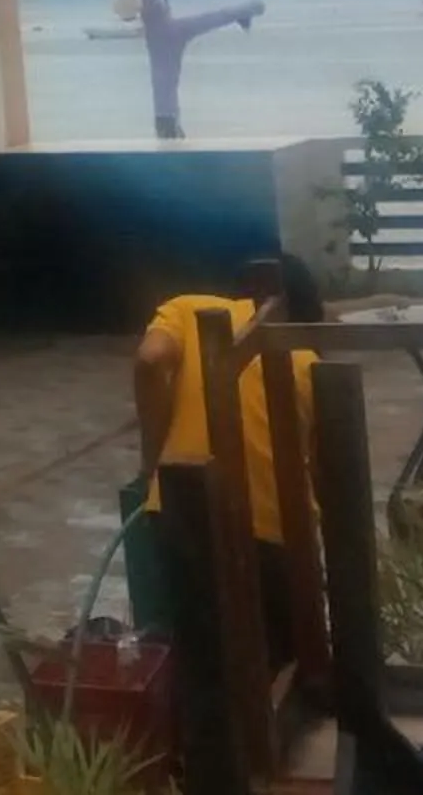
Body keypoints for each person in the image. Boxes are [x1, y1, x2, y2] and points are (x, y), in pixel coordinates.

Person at [133, 253, 325, 641]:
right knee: (280, 660)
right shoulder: (309, 363)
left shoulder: (186, 308)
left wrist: (154, 462)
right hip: (275, 539)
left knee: (201, 658)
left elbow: (150, 361)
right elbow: (319, 474)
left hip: (181, 512)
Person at [111, 0, 267, 140]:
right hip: (166, 30)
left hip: (163, 35)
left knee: (164, 77)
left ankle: (168, 122)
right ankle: (250, 8)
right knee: (209, 21)